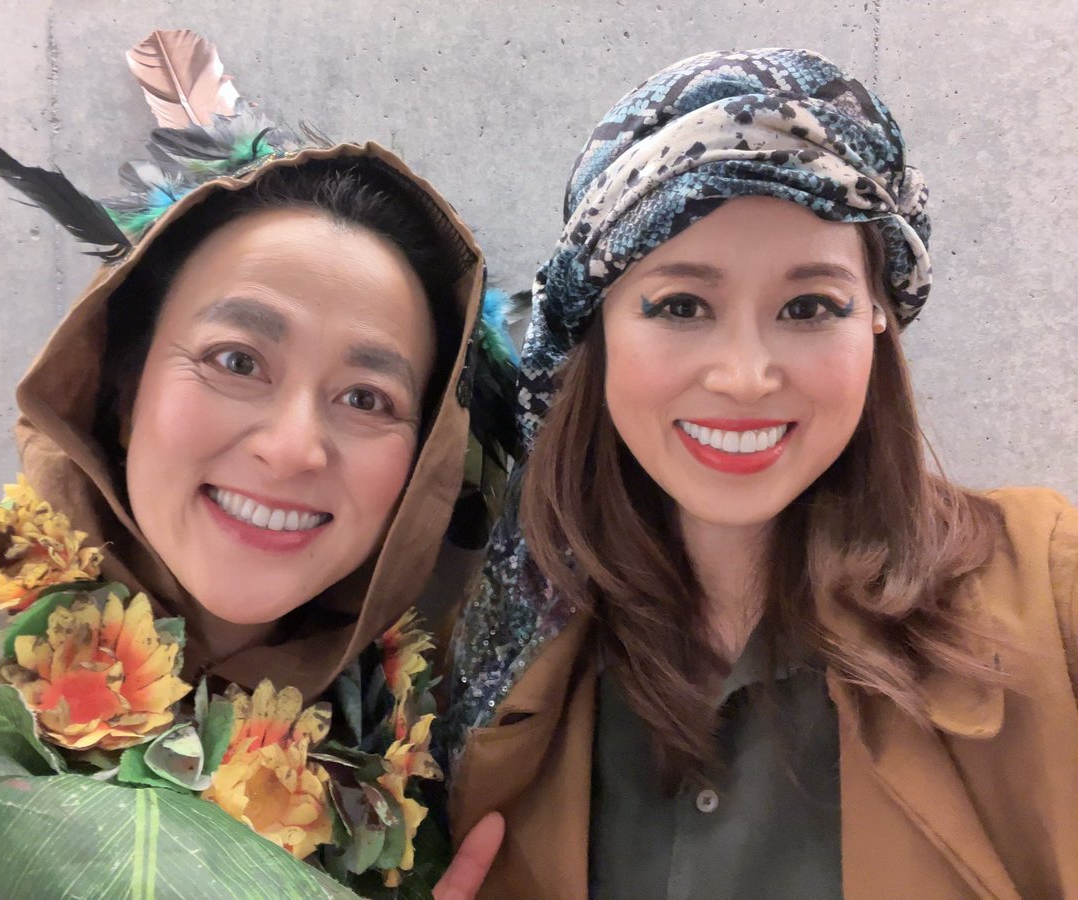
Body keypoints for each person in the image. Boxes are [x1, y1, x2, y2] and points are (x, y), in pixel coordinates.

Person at [0, 29, 508, 899]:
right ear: (122, 389)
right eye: (236, 360)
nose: (292, 446)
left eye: (367, 398)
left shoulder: (412, 782)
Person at [447, 48, 1078, 899]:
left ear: (879, 319)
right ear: (597, 329)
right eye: (681, 306)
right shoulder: (490, 659)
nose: (745, 376)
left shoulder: (1049, 595)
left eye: (809, 306)